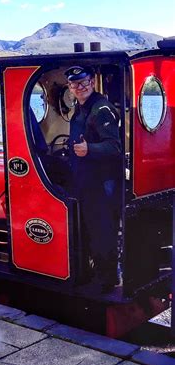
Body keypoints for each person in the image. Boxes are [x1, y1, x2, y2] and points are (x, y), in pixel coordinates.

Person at [65, 66, 122, 293]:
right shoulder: (81, 108)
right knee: (91, 227)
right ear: (69, 87)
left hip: (101, 181)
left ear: (91, 82)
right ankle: (94, 273)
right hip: (86, 178)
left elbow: (114, 146)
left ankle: (107, 281)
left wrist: (90, 149)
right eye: (74, 84)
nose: (79, 87)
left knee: (102, 230)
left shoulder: (101, 109)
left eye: (83, 82)